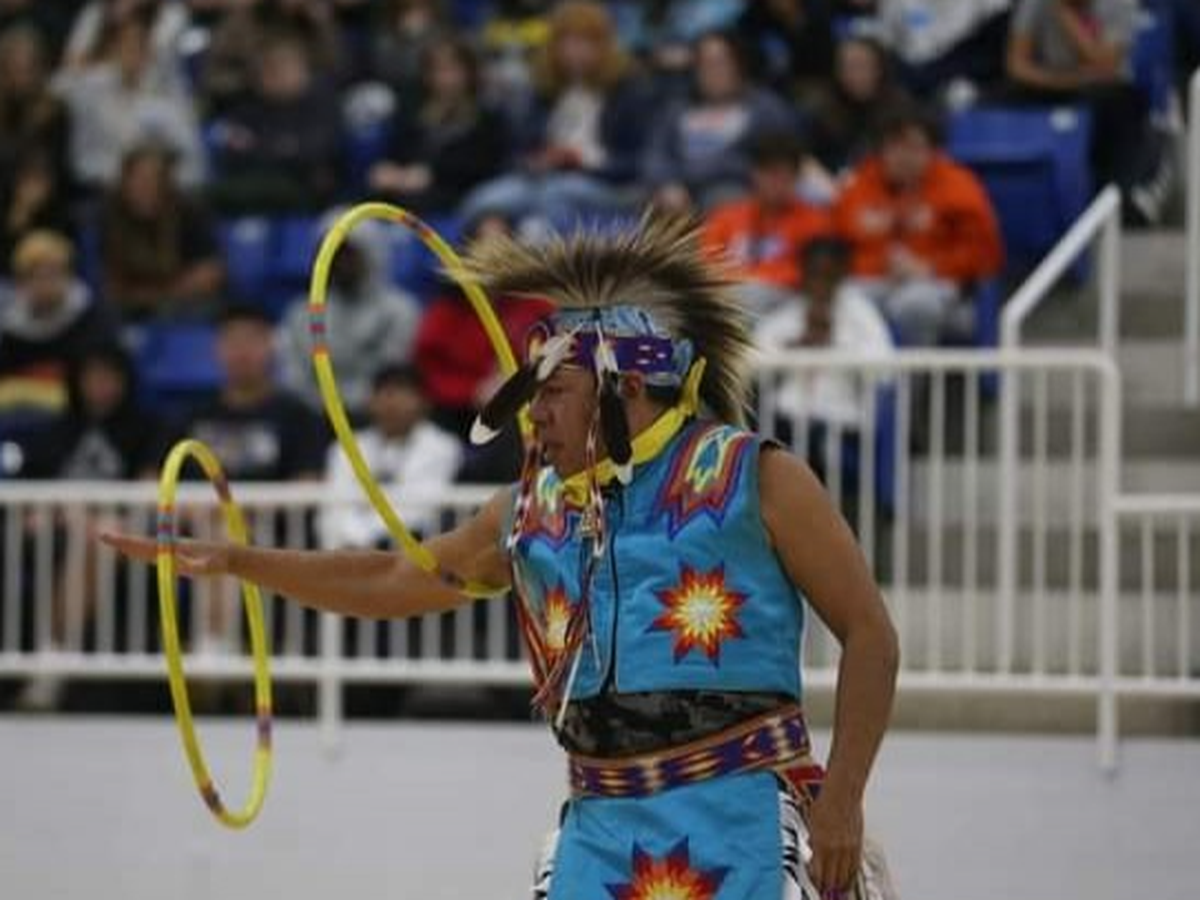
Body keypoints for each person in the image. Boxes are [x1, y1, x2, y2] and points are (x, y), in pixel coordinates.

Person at [102, 216, 899, 900]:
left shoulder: (755, 476)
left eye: (552, 393)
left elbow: (870, 635)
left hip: (744, 815)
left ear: (624, 389)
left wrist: (843, 802)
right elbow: (390, 576)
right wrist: (240, 562)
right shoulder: (529, 509)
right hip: (599, 830)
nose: (533, 416)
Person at [12, 342, 172, 711]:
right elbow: (28, 497)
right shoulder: (55, 431)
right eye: (92, 376)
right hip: (54, 535)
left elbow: (149, 491)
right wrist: (60, 514)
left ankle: (52, 660)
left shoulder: (147, 428)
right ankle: (48, 659)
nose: (100, 385)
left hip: (123, 534)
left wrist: (99, 518)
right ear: (77, 380)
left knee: (102, 535)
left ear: (125, 380)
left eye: (108, 376)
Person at [833, 105, 1003, 345]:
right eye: (895, 146)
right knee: (844, 299)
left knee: (915, 304)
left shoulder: (958, 186)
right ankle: (860, 369)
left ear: (932, 150)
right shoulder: (860, 185)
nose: (904, 157)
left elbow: (986, 255)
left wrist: (931, 267)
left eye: (914, 147)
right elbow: (834, 248)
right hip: (876, 281)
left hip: (941, 288)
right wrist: (879, 265)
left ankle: (915, 371)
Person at [754, 237, 895, 510]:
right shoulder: (789, 314)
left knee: (807, 448)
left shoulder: (861, 315)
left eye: (827, 275)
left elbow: (884, 369)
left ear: (842, 275)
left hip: (840, 420)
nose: (819, 284)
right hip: (787, 418)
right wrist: (794, 348)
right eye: (813, 275)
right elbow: (754, 361)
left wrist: (833, 345)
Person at [276, 210, 421, 420]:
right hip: (313, 418)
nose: (342, 262)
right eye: (336, 254)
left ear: (372, 254)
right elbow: (293, 374)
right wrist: (324, 407)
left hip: (377, 419)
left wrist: (353, 405)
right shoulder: (301, 314)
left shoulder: (400, 311)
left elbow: (393, 373)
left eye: (350, 253)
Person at [1005, 0, 1148, 212]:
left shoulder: (1119, 3)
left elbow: (1105, 66)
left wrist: (1065, 13)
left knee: (1120, 103)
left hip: (1104, 91)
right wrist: (1067, 80)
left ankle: (1115, 198)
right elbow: (1017, 66)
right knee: (1000, 99)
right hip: (1050, 85)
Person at [642, 30, 798, 213]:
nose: (713, 71)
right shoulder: (676, 108)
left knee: (725, 198)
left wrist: (701, 175)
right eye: (704, 64)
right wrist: (666, 183)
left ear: (739, 65)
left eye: (720, 62)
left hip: (734, 191)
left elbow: (779, 157)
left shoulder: (766, 109)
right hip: (676, 190)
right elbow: (655, 154)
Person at [320, 364, 462, 550]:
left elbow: (418, 508)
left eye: (402, 393)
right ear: (370, 401)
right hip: (348, 551)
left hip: (412, 553)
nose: (392, 403)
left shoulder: (442, 446)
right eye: (384, 393)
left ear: (424, 402)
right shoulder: (344, 447)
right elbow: (335, 507)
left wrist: (365, 541)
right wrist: (354, 543)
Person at [367, 36, 510, 216]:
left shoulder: (487, 117)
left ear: (469, 73)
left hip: (462, 201)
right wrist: (391, 172)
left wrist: (431, 175)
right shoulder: (413, 113)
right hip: (406, 195)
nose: (446, 79)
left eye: (452, 70)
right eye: (438, 71)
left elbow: (483, 168)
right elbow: (396, 154)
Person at [0, 230, 119, 440]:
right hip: (15, 411)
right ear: (21, 282)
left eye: (53, 274)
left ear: (68, 276)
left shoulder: (90, 317)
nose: (45, 284)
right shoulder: (9, 325)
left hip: (75, 412)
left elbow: (97, 373)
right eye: (36, 276)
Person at [702, 131, 833, 317]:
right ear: (755, 174)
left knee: (753, 294)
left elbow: (812, 272)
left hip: (785, 301)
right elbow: (706, 262)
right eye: (770, 174)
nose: (777, 183)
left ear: (796, 178)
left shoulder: (814, 222)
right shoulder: (726, 217)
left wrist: (757, 278)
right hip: (731, 297)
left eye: (785, 176)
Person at [99, 143, 225, 322]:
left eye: (154, 180)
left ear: (167, 183)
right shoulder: (108, 215)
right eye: (138, 179)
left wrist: (161, 294)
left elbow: (210, 273)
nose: (146, 186)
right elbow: (109, 283)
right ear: (124, 181)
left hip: (183, 303)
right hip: (129, 306)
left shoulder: (189, 211)